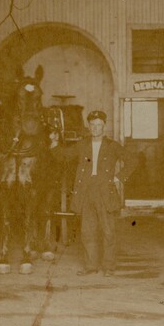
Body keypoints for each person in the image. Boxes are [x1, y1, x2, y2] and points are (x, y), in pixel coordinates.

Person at [51, 110, 138, 276]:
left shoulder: (112, 145)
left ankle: (109, 267)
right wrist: (54, 144)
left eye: (99, 125)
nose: (96, 128)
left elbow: (133, 160)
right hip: (85, 192)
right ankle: (91, 266)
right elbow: (64, 156)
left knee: (108, 231)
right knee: (87, 232)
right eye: (93, 125)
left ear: (104, 127)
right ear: (89, 127)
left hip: (105, 192)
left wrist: (119, 178)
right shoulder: (82, 144)